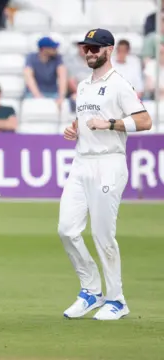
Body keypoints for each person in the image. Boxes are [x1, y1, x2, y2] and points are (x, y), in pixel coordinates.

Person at [60, 28, 152, 321]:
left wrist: (110, 124)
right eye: (86, 48)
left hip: (109, 162)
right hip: (81, 161)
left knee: (103, 235)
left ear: (109, 50)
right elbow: (86, 119)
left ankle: (117, 299)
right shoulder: (84, 86)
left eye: (95, 48)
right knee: (67, 230)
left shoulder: (119, 84)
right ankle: (91, 291)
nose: (89, 53)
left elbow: (145, 120)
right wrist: (75, 128)